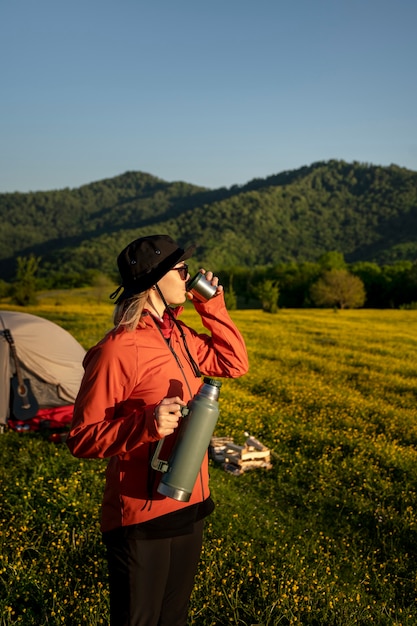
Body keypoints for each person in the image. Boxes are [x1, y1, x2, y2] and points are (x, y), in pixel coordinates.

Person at [66, 234, 249, 626]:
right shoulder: (117, 349)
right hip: (140, 515)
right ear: (154, 282)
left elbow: (234, 363)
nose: (187, 277)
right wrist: (145, 423)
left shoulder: (180, 336)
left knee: (174, 619)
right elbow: (82, 437)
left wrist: (212, 304)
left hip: (191, 502)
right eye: (180, 270)